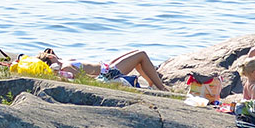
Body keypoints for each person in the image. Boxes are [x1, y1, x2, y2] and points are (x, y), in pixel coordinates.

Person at [40, 48, 169, 91]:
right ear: (50, 57)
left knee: (137, 53)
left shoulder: (63, 63)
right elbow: (84, 79)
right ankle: (162, 88)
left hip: (107, 67)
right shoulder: (65, 67)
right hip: (109, 73)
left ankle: (152, 85)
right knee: (141, 55)